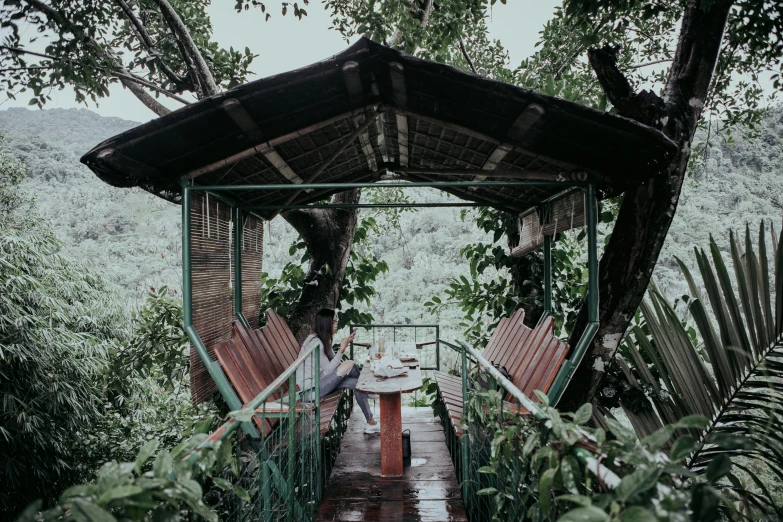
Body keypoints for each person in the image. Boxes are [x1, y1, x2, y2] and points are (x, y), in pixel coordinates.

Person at [295, 308, 379, 434]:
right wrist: (342, 349)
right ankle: (368, 390)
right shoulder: (316, 342)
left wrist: (342, 355)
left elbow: (335, 363)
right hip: (310, 390)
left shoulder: (323, 339)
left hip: (319, 382)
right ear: (325, 324)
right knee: (350, 364)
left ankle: (370, 422)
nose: (336, 324)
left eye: (336, 321)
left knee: (356, 382)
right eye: (333, 322)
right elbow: (329, 369)